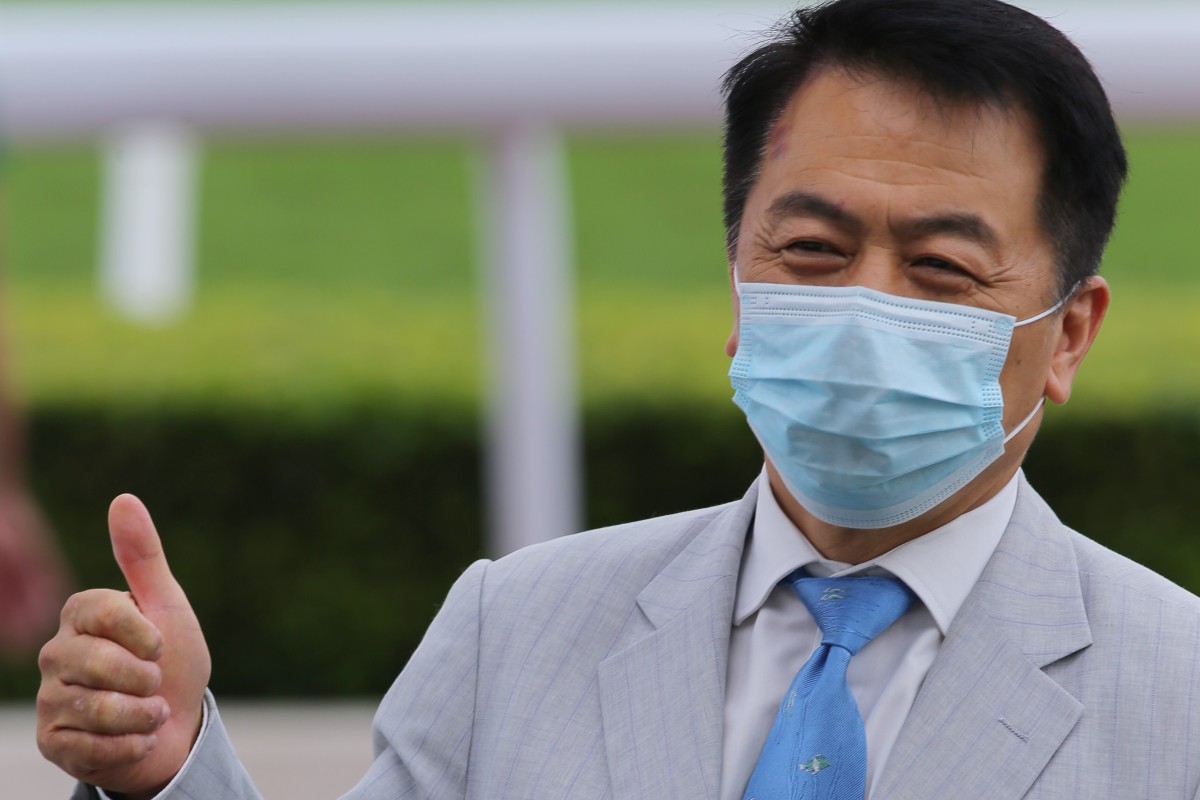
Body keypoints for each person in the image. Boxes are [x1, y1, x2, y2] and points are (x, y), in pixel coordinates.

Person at [35, 0, 1200, 797]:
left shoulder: (1176, 691)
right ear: (739, 278)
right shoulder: (517, 625)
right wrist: (170, 758)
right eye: (811, 247)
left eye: (941, 267)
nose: (864, 306)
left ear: (1069, 334)